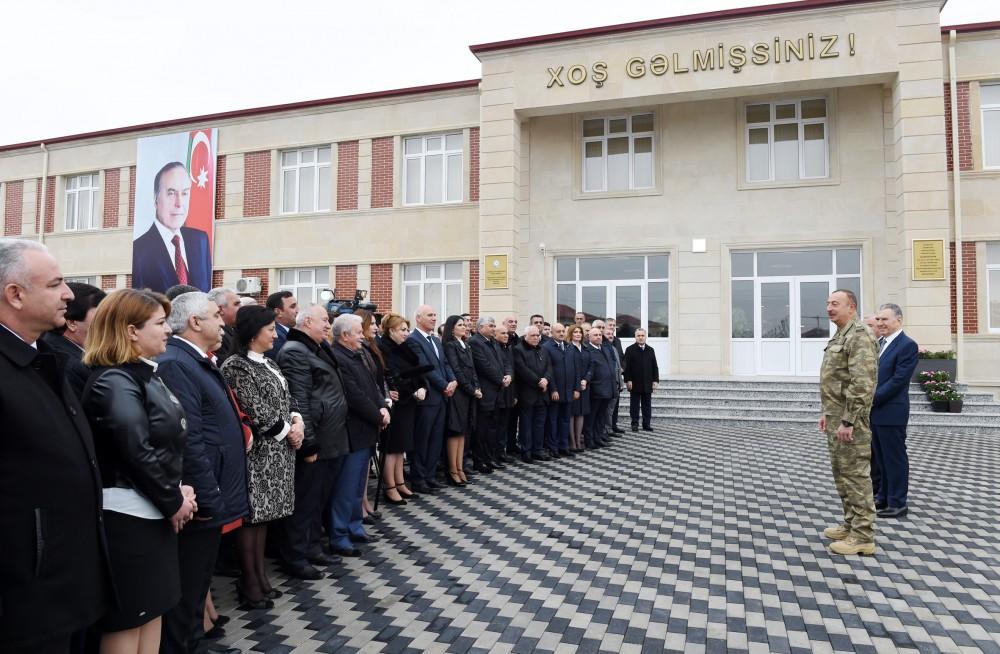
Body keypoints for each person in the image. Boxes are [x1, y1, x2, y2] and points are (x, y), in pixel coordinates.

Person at [0, 239, 111, 653]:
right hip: (23, 600)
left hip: (61, 583)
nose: (69, 294)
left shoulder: (42, 356)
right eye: (56, 284)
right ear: (15, 294)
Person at [81, 289, 196, 654]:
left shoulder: (146, 374)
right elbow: (136, 451)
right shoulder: (113, 381)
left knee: (154, 609)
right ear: (131, 331)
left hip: (152, 510)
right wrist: (173, 499)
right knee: (130, 617)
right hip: (128, 518)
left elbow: (163, 444)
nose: (167, 331)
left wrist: (176, 492)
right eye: (160, 324)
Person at [156, 292, 248, 654]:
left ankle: (194, 637)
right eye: (215, 315)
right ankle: (187, 643)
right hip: (202, 495)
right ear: (195, 322)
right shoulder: (177, 364)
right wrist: (209, 498)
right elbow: (188, 437)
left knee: (197, 583)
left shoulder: (194, 360)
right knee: (188, 584)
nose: (224, 322)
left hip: (214, 488)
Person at [220, 305, 304, 608]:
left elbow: (287, 395)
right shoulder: (236, 366)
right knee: (253, 518)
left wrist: (298, 420)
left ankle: (260, 576)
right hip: (259, 454)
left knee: (266, 517)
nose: (274, 333)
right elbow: (255, 409)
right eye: (270, 328)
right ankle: (249, 581)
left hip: (280, 452)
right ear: (254, 332)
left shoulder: (269, 362)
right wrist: (289, 433)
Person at [277, 305, 350, 579]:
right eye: (324, 321)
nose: (328, 326)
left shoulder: (317, 348)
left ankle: (312, 546)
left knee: (318, 499)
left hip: (331, 436)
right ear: (307, 321)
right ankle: (295, 555)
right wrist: (308, 443)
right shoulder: (295, 351)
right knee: (305, 501)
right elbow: (299, 400)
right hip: (315, 439)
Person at [818, 289, 878, 556]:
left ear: (851, 307)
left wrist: (848, 421)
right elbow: (836, 381)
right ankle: (851, 523)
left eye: (836, 304)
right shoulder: (840, 334)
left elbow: (862, 384)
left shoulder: (860, 335)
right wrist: (827, 413)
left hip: (850, 422)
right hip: (836, 416)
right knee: (842, 475)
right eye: (828, 303)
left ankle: (863, 536)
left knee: (855, 476)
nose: (830, 308)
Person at [331, 314, 388, 555]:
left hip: (367, 429)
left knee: (357, 485)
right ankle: (340, 533)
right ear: (345, 336)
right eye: (357, 332)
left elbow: (372, 387)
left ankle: (354, 526)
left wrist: (382, 406)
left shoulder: (356, 354)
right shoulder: (339, 357)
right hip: (353, 429)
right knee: (346, 487)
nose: (362, 336)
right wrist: (378, 415)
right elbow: (354, 395)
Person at [131, 162, 212, 292]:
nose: (179, 203)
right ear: (155, 198)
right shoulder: (139, 250)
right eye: (171, 193)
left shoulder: (200, 240)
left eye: (184, 193)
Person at [870, 303, 918, 519]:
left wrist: (870, 398)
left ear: (898, 320)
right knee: (879, 459)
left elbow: (898, 380)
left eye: (885, 319)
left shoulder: (907, 345)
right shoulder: (880, 343)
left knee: (894, 459)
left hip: (891, 411)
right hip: (876, 413)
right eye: (878, 319)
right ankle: (883, 497)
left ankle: (898, 503)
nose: (880, 323)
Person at [378, 314, 431, 504]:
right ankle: (389, 486)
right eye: (402, 330)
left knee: (402, 446)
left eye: (407, 330)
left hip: (409, 402)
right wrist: (411, 391)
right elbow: (392, 376)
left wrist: (421, 387)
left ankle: (400, 482)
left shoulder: (405, 348)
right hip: (396, 402)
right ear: (391, 330)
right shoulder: (384, 348)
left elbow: (417, 370)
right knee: (392, 447)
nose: (406, 334)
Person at [407, 305, 456, 493]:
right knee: (423, 439)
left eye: (435, 315)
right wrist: (444, 385)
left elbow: (444, 363)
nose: (434, 318)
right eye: (430, 315)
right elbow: (425, 367)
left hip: (442, 396)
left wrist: (452, 380)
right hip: (429, 397)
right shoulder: (413, 340)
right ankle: (419, 479)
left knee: (436, 439)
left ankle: (430, 475)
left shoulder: (435, 340)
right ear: (418, 318)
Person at [42, 281, 106, 398]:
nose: (109, 323)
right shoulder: (66, 366)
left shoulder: (75, 356)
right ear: (72, 323)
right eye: (102, 317)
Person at [443, 315, 482, 482]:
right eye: (460, 325)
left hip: (469, 394)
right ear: (452, 328)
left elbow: (472, 369)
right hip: (459, 393)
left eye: (465, 324)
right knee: (455, 430)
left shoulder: (466, 345)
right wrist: (471, 389)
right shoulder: (450, 346)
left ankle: (460, 467)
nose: (465, 327)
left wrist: (477, 386)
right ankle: (452, 470)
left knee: (464, 432)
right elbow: (456, 370)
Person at [470, 316, 512, 468]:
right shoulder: (475, 342)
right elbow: (484, 366)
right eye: (491, 325)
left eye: (495, 325)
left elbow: (505, 361)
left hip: (498, 392)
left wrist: (508, 375)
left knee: (493, 428)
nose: (494, 328)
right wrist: (501, 379)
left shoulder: (494, 342)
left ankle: (490, 458)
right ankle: (479, 461)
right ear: (481, 328)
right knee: (482, 429)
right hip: (486, 392)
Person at [514, 325, 554, 463]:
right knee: (526, 424)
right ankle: (526, 451)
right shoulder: (518, 350)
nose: (536, 338)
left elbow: (549, 367)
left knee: (539, 424)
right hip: (528, 393)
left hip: (542, 394)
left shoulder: (543, 349)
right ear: (526, 336)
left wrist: (546, 379)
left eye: (538, 335)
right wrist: (538, 381)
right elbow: (522, 370)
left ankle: (538, 450)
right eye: (533, 335)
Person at [543, 323, 578, 457]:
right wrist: (553, 389)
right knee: (553, 420)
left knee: (565, 420)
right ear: (552, 333)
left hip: (569, 391)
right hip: (556, 392)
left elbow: (576, 369)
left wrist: (576, 389)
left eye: (563, 331)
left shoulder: (569, 347)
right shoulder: (547, 348)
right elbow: (547, 370)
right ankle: (553, 447)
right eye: (558, 331)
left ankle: (564, 446)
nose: (562, 333)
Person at [623, 329, 660, 432]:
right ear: (635, 337)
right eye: (638, 335)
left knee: (647, 405)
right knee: (634, 405)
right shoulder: (630, 350)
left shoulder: (650, 350)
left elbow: (655, 367)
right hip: (634, 382)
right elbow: (626, 367)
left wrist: (655, 380)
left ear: (646, 337)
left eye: (642, 335)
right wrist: (628, 380)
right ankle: (634, 424)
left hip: (647, 382)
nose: (640, 337)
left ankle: (646, 424)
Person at [584, 326, 614, 449]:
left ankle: (598, 437)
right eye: (595, 335)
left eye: (600, 335)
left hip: (607, 388)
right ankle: (589, 440)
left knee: (601, 416)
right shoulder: (588, 350)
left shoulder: (605, 349)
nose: (598, 337)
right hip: (596, 389)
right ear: (589, 337)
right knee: (592, 417)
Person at [565, 324, 592, 453]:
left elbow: (591, 366)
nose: (578, 334)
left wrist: (586, 379)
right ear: (571, 334)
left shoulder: (586, 348)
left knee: (581, 412)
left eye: (579, 332)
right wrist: (577, 384)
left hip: (584, 385)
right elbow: (571, 369)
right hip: (572, 386)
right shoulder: (568, 348)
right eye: (575, 332)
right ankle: (572, 442)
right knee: (572, 413)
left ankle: (578, 439)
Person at [494, 327, 518, 458]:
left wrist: (509, 375)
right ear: (495, 334)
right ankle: (496, 452)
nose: (506, 335)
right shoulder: (495, 347)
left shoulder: (508, 348)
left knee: (505, 424)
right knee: (497, 425)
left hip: (509, 391)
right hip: (498, 391)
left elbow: (510, 365)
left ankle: (501, 451)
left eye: (506, 333)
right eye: (502, 333)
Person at [208, 287, 241, 365]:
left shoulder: (237, 329)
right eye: (236, 304)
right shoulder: (215, 334)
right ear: (220, 309)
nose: (241, 307)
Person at [603, 319, 626, 434]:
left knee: (614, 406)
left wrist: (622, 368)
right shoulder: (602, 346)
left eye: (613, 326)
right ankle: (607, 429)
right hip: (606, 382)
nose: (612, 328)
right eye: (609, 326)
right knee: (607, 408)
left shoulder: (617, 341)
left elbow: (622, 357)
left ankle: (613, 425)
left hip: (617, 379)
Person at [264, 290, 298, 358]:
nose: (297, 310)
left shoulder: (288, 333)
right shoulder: (276, 337)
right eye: (293, 307)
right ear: (278, 312)